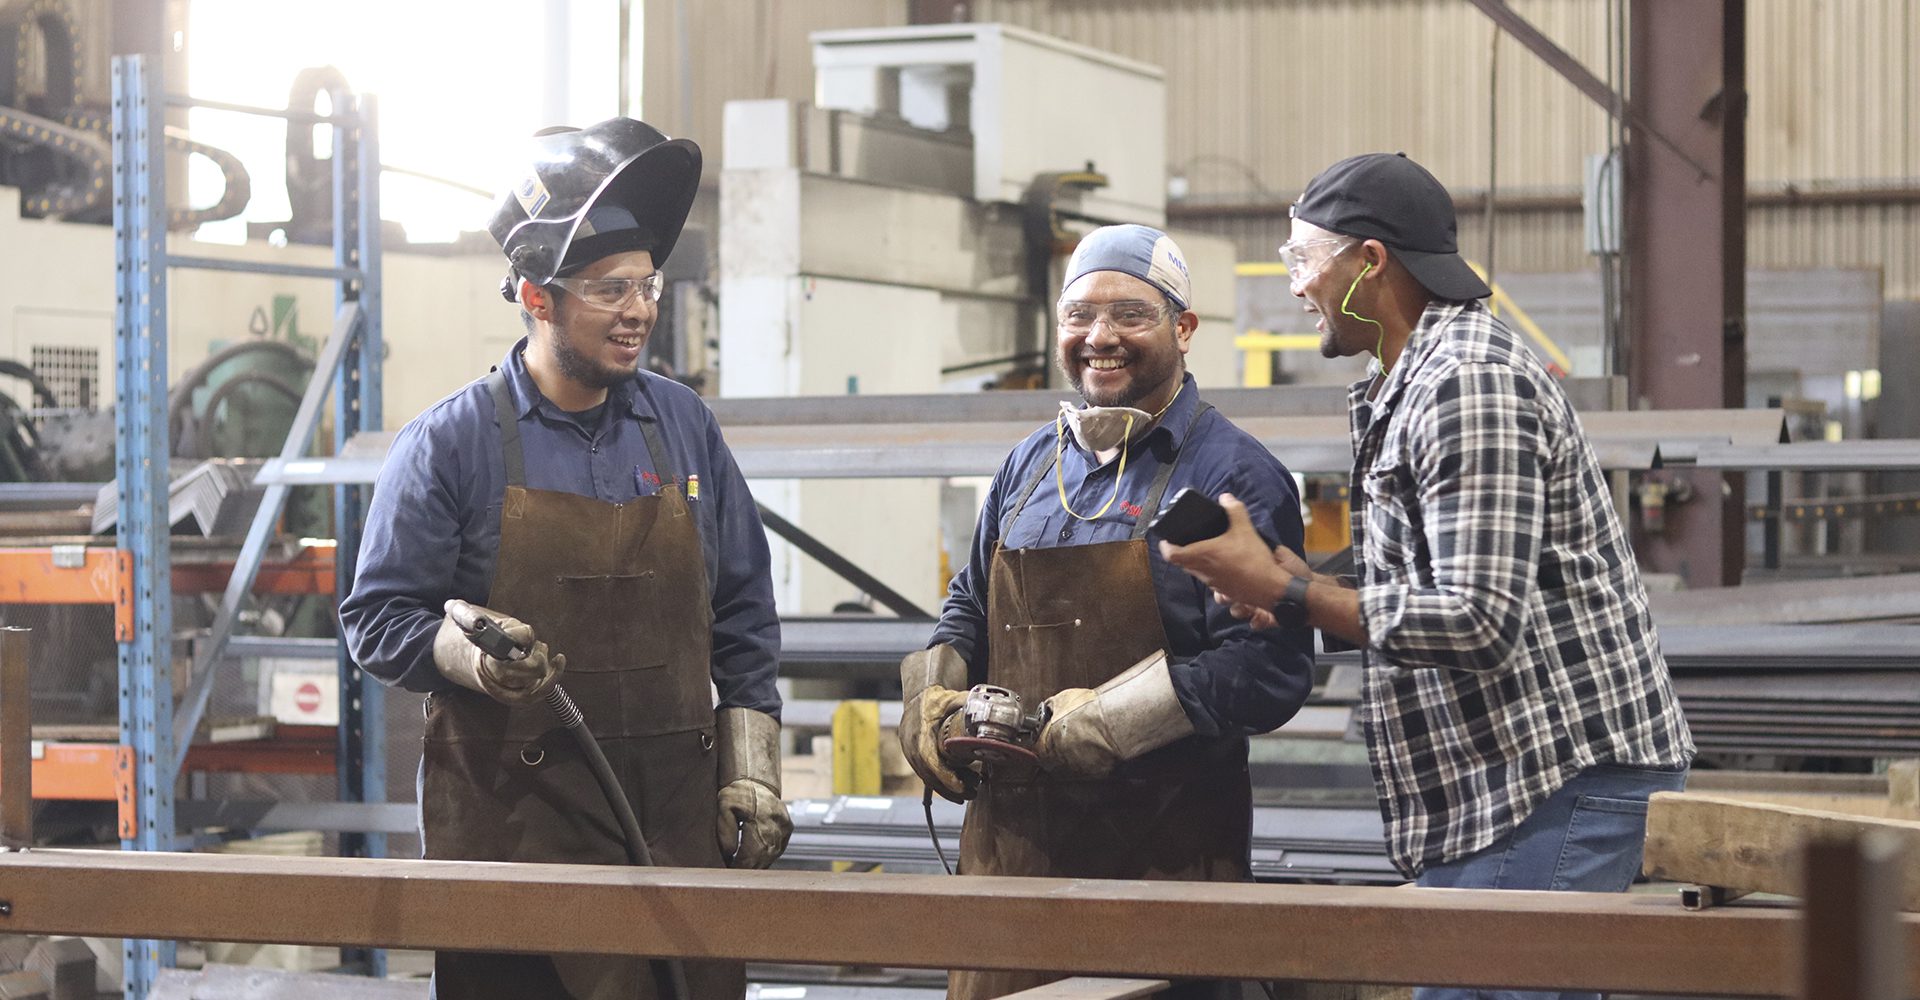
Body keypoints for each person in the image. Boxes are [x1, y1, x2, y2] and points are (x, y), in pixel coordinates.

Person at [1162, 153, 1693, 1000]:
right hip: (1504, 788)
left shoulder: (1465, 383)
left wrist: (1288, 592)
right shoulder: (1406, 383)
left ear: (1370, 261)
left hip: (1553, 781)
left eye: (1304, 260)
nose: (1295, 286)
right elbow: (1429, 576)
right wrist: (1298, 579)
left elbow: (1476, 620)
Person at [340, 118, 789, 1000]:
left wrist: (752, 769)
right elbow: (376, 617)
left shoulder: (684, 425)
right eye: (607, 290)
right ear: (535, 298)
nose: (638, 311)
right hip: (515, 831)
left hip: (674, 824)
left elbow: (744, 609)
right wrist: (467, 655)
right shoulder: (451, 444)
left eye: (646, 285)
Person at [898, 224, 1317, 1000]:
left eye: (1131, 314)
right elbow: (969, 600)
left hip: (1163, 870)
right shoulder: (1028, 467)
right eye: (1078, 316)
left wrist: (1110, 723)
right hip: (1008, 877)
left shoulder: (1233, 474)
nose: (1100, 338)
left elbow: (1270, 670)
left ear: (1185, 329)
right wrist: (928, 689)